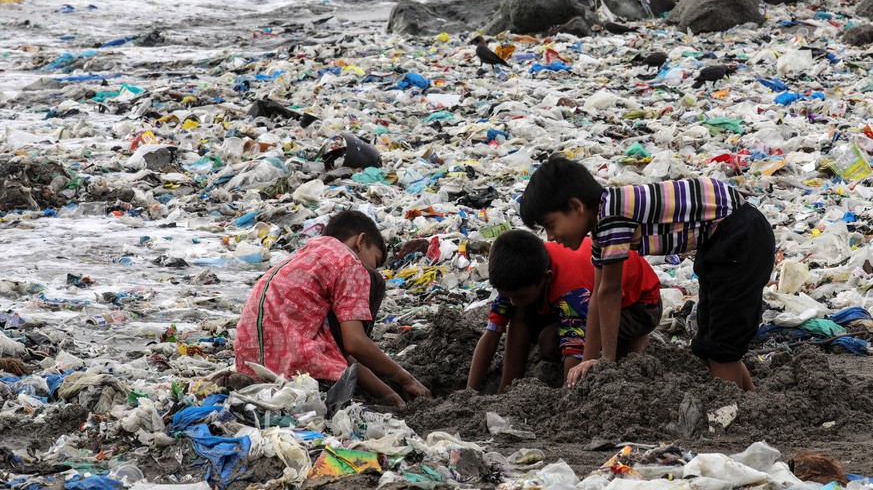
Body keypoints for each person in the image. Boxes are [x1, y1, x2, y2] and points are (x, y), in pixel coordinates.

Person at [519, 157, 775, 391]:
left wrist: (605, 359)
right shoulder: (602, 225)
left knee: (722, 347)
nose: (550, 237)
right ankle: (750, 400)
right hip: (722, 239)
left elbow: (610, 291)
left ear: (576, 207)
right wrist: (587, 361)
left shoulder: (610, 216)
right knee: (710, 341)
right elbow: (598, 295)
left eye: (551, 225)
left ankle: (731, 416)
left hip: (739, 236)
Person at [234, 210, 432, 406]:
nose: (373, 267)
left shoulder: (305, 254)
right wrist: (406, 379)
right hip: (294, 372)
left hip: (249, 366)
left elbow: (337, 347)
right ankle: (331, 381)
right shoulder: (349, 263)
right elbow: (353, 344)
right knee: (375, 281)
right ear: (360, 241)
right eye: (375, 260)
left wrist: (385, 394)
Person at [466, 229, 661, 392]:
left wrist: (568, 393)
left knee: (550, 341)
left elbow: (573, 347)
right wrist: (470, 392)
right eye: (508, 296)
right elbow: (492, 334)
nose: (513, 301)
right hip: (588, 296)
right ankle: (505, 386)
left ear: (547, 277)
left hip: (640, 306)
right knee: (519, 313)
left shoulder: (570, 290)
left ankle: (634, 340)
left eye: (521, 296)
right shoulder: (517, 277)